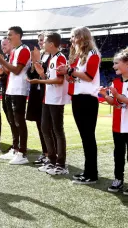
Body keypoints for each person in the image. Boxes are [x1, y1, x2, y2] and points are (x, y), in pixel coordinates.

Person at [57, 26, 100, 184]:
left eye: (73, 36)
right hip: (78, 98)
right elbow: (76, 78)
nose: (71, 40)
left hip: (88, 99)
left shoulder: (93, 54)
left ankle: (92, 174)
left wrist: (70, 71)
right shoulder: (79, 56)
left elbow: (89, 76)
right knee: (85, 137)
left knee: (88, 137)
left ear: (82, 37)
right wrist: (67, 73)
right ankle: (88, 171)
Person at [28, 32, 69, 175]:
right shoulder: (52, 58)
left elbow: (59, 80)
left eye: (45, 42)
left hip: (56, 100)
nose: (43, 44)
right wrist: (41, 74)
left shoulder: (60, 58)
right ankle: (51, 161)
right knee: (45, 129)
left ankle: (61, 164)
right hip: (48, 98)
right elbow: (50, 79)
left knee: (57, 130)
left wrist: (39, 80)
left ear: (51, 44)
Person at [0, 26, 31, 165]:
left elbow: (17, 70)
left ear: (18, 35)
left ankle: (22, 152)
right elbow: (10, 71)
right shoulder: (14, 51)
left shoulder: (24, 50)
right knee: (13, 121)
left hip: (19, 90)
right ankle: (15, 149)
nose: (8, 37)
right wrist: (1, 68)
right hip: (10, 89)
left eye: (10, 35)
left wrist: (1, 60)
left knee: (19, 122)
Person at [100, 48, 128, 193]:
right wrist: (106, 95)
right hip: (117, 125)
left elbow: (123, 100)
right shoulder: (115, 82)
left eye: (116, 63)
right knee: (118, 154)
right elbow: (115, 103)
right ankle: (118, 179)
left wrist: (118, 96)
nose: (113, 66)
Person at [27, 33, 52, 165]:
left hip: (48, 95)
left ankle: (52, 155)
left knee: (49, 126)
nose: (41, 42)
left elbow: (49, 75)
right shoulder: (40, 55)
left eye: (43, 40)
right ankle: (45, 152)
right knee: (40, 125)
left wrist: (39, 65)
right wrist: (33, 62)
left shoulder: (53, 56)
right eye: (39, 40)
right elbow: (31, 75)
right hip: (37, 94)